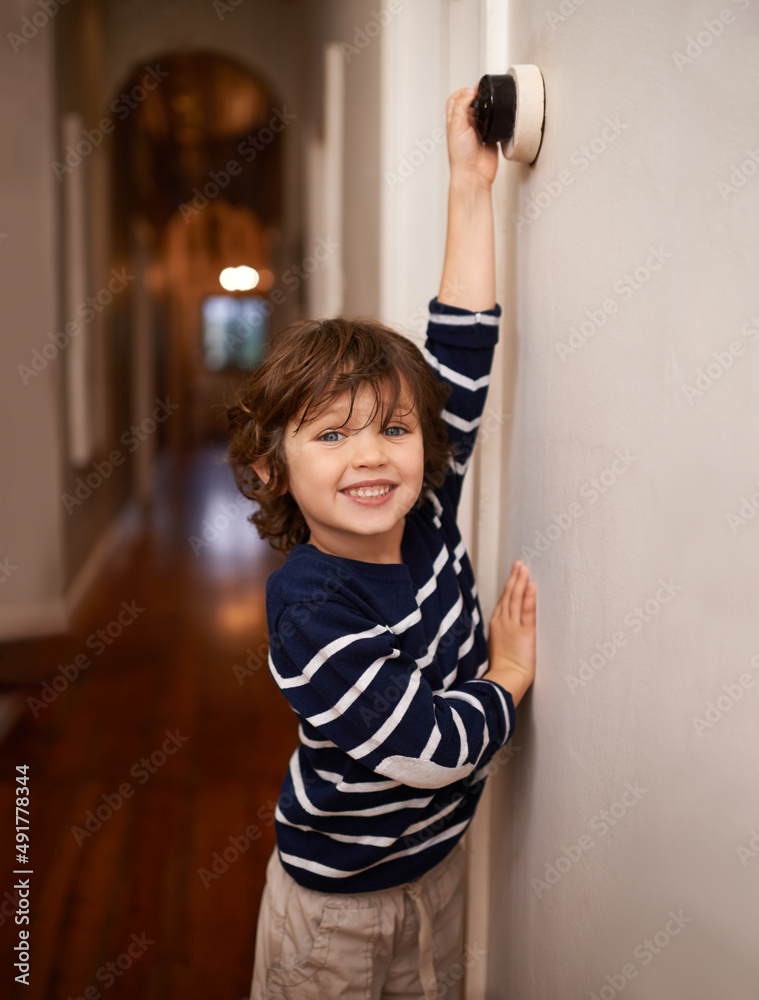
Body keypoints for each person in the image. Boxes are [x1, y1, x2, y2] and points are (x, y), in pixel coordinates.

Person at [227, 87, 537, 1000]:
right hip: (338, 911)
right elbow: (430, 747)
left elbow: (461, 351)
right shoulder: (311, 608)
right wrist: (508, 675)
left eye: (393, 430)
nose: (369, 456)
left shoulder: (429, 506)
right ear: (275, 471)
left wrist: (469, 184)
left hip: (432, 870)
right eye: (329, 436)